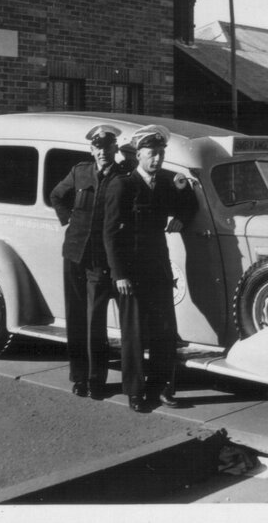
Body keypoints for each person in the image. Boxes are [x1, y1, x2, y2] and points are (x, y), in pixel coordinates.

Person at [103, 124, 197, 412]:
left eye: (160, 153)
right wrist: (119, 275)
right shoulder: (123, 184)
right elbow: (110, 234)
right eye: (151, 154)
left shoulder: (167, 183)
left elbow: (189, 203)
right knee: (133, 335)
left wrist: (181, 216)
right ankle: (134, 392)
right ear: (139, 154)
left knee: (164, 332)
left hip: (158, 271)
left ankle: (162, 388)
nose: (157, 159)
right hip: (131, 274)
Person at [49, 124, 125, 400]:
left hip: (100, 260)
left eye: (108, 147)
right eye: (98, 147)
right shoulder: (79, 172)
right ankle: (78, 377)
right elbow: (57, 195)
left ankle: (96, 380)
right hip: (74, 256)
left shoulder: (122, 177)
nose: (103, 152)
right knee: (76, 319)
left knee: (95, 321)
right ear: (91, 149)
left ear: (115, 149)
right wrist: (66, 219)